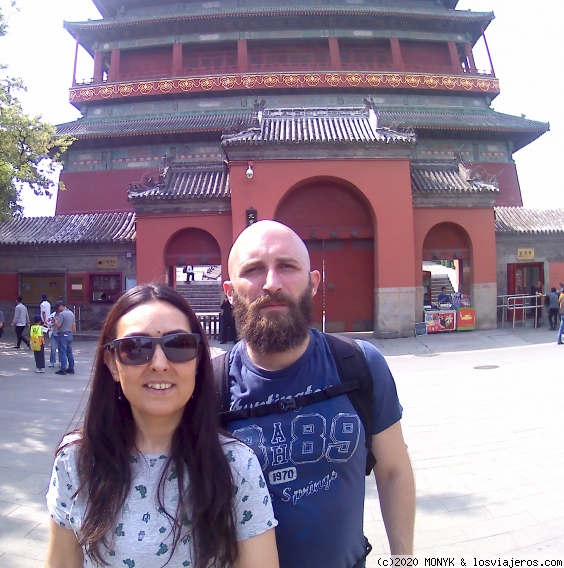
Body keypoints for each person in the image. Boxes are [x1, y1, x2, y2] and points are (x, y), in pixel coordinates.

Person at [221, 220, 415, 568]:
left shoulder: (359, 365)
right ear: (230, 291)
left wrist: (404, 560)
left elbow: (393, 470)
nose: (271, 283)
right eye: (253, 270)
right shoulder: (209, 387)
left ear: (313, 284)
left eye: (286, 266)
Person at [45, 284, 278, 568]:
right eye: (134, 348)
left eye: (179, 345)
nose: (158, 363)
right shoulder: (75, 461)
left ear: (198, 360)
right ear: (112, 363)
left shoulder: (236, 465)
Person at [54, 301, 75, 375]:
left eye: (58, 307)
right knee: (69, 352)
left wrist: (55, 321)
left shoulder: (62, 314)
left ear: (60, 306)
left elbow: (58, 325)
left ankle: (63, 369)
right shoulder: (71, 313)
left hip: (62, 334)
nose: (58, 309)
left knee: (62, 352)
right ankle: (71, 368)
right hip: (69, 334)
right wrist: (71, 333)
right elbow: (73, 325)